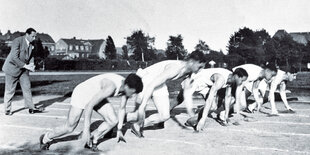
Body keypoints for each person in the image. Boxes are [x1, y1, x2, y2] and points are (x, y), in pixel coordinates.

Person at [39, 73, 143, 151]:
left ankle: (93, 141)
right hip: (82, 93)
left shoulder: (125, 86)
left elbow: (122, 108)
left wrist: (119, 130)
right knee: (70, 127)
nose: (133, 96)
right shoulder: (111, 87)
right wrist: (86, 130)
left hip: (96, 95)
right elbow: (89, 106)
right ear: (127, 86)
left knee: (113, 120)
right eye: (133, 93)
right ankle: (46, 138)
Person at [127, 51, 206, 137]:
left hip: (159, 82)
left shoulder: (190, 73)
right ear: (191, 62)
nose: (201, 70)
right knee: (137, 114)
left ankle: (136, 125)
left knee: (164, 115)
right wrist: (143, 105)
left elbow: (186, 95)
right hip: (146, 80)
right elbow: (151, 85)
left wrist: (192, 115)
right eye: (200, 66)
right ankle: (115, 120)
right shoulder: (175, 68)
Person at [180, 68, 248, 131]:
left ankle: (192, 121)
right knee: (181, 98)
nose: (242, 83)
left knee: (213, 107)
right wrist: (203, 120)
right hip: (196, 80)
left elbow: (228, 97)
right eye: (242, 80)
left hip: (206, 85)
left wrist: (226, 116)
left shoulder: (231, 78)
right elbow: (209, 99)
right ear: (236, 76)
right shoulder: (221, 80)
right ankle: (199, 119)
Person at [2, 28, 43, 115]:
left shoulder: (32, 44)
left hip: (23, 70)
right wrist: (26, 66)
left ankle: (31, 107)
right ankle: (7, 110)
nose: (34, 38)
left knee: (27, 88)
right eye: (33, 36)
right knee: (10, 90)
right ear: (27, 35)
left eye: (35, 36)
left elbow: (31, 56)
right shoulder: (17, 41)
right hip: (12, 68)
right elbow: (14, 57)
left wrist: (31, 65)